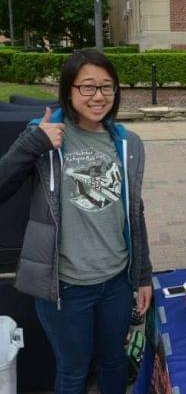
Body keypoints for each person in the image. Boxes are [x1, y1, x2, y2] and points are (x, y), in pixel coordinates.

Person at [0, 49, 153, 394]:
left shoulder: (129, 143)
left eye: (106, 87)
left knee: (114, 360)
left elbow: (134, 212)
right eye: (87, 87)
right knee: (73, 370)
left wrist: (142, 275)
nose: (98, 96)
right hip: (65, 288)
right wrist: (32, 143)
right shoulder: (45, 136)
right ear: (68, 91)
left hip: (116, 281)